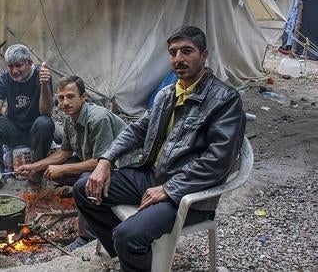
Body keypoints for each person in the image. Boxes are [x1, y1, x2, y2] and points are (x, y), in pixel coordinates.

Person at [73, 26, 246, 271]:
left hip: (187, 194)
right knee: (84, 188)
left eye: (187, 51)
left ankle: (130, 246)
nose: (179, 59)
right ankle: (130, 254)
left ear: (204, 55)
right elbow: (136, 130)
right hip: (152, 177)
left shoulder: (225, 99)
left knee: (129, 235)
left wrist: (169, 188)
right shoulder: (167, 94)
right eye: (173, 53)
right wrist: (105, 161)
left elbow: (219, 161)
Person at [18, 75, 136, 251]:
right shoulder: (69, 119)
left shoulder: (97, 119)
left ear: (83, 97)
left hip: (125, 169)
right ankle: (88, 207)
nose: (65, 102)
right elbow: (64, 152)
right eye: (61, 98)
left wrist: (64, 168)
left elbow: (102, 162)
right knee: (55, 174)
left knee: (84, 181)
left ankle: (86, 236)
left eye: (71, 96)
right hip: (96, 161)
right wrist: (34, 166)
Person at [0, 44, 55, 195]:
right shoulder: (3, 79)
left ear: (29, 63)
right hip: (14, 131)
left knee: (45, 122)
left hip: (36, 132)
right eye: (10, 66)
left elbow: (46, 111)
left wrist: (45, 85)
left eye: (19, 66)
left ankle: (35, 176)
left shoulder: (41, 76)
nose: (14, 71)